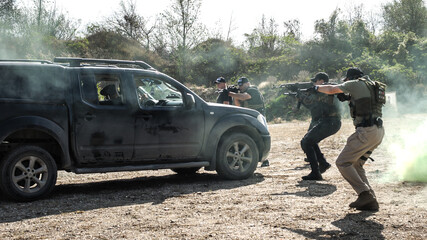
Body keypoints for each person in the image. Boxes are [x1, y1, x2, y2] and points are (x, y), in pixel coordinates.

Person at [312, 67, 385, 211]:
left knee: (343, 162)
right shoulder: (371, 84)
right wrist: (348, 97)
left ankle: (364, 194)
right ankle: (370, 199)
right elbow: (362, 101)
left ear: (350, 78)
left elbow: (332, 90)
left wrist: (315, 87)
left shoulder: (355, 83)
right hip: (378, 131)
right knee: (357, 165)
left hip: (366, 131)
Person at [298, 72, 342, 180]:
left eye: (316, 81)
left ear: (321, 81)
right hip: (329, 121)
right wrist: (301, 97)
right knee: (310, 141)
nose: (314, 83)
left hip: (330, 122)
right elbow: (313, 106)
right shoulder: (326, 90)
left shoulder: (330, 88)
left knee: (306, 142)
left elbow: (312, 102)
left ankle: (316, 172)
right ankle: (322, 163)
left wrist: (304, 96)